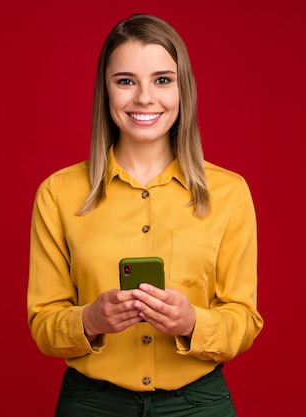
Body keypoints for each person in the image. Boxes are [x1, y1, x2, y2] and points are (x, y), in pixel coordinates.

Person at [27, 13, 263, 417]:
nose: (144, 98)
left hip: (197, 404)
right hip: (92, 405)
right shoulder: (58, 194)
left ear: (182, 89)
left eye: (161, 79)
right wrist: (90, 319)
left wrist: (192, 322)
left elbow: (244, 319)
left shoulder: (230, 193)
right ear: (106, 91)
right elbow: (43, 323)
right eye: (125, 81)